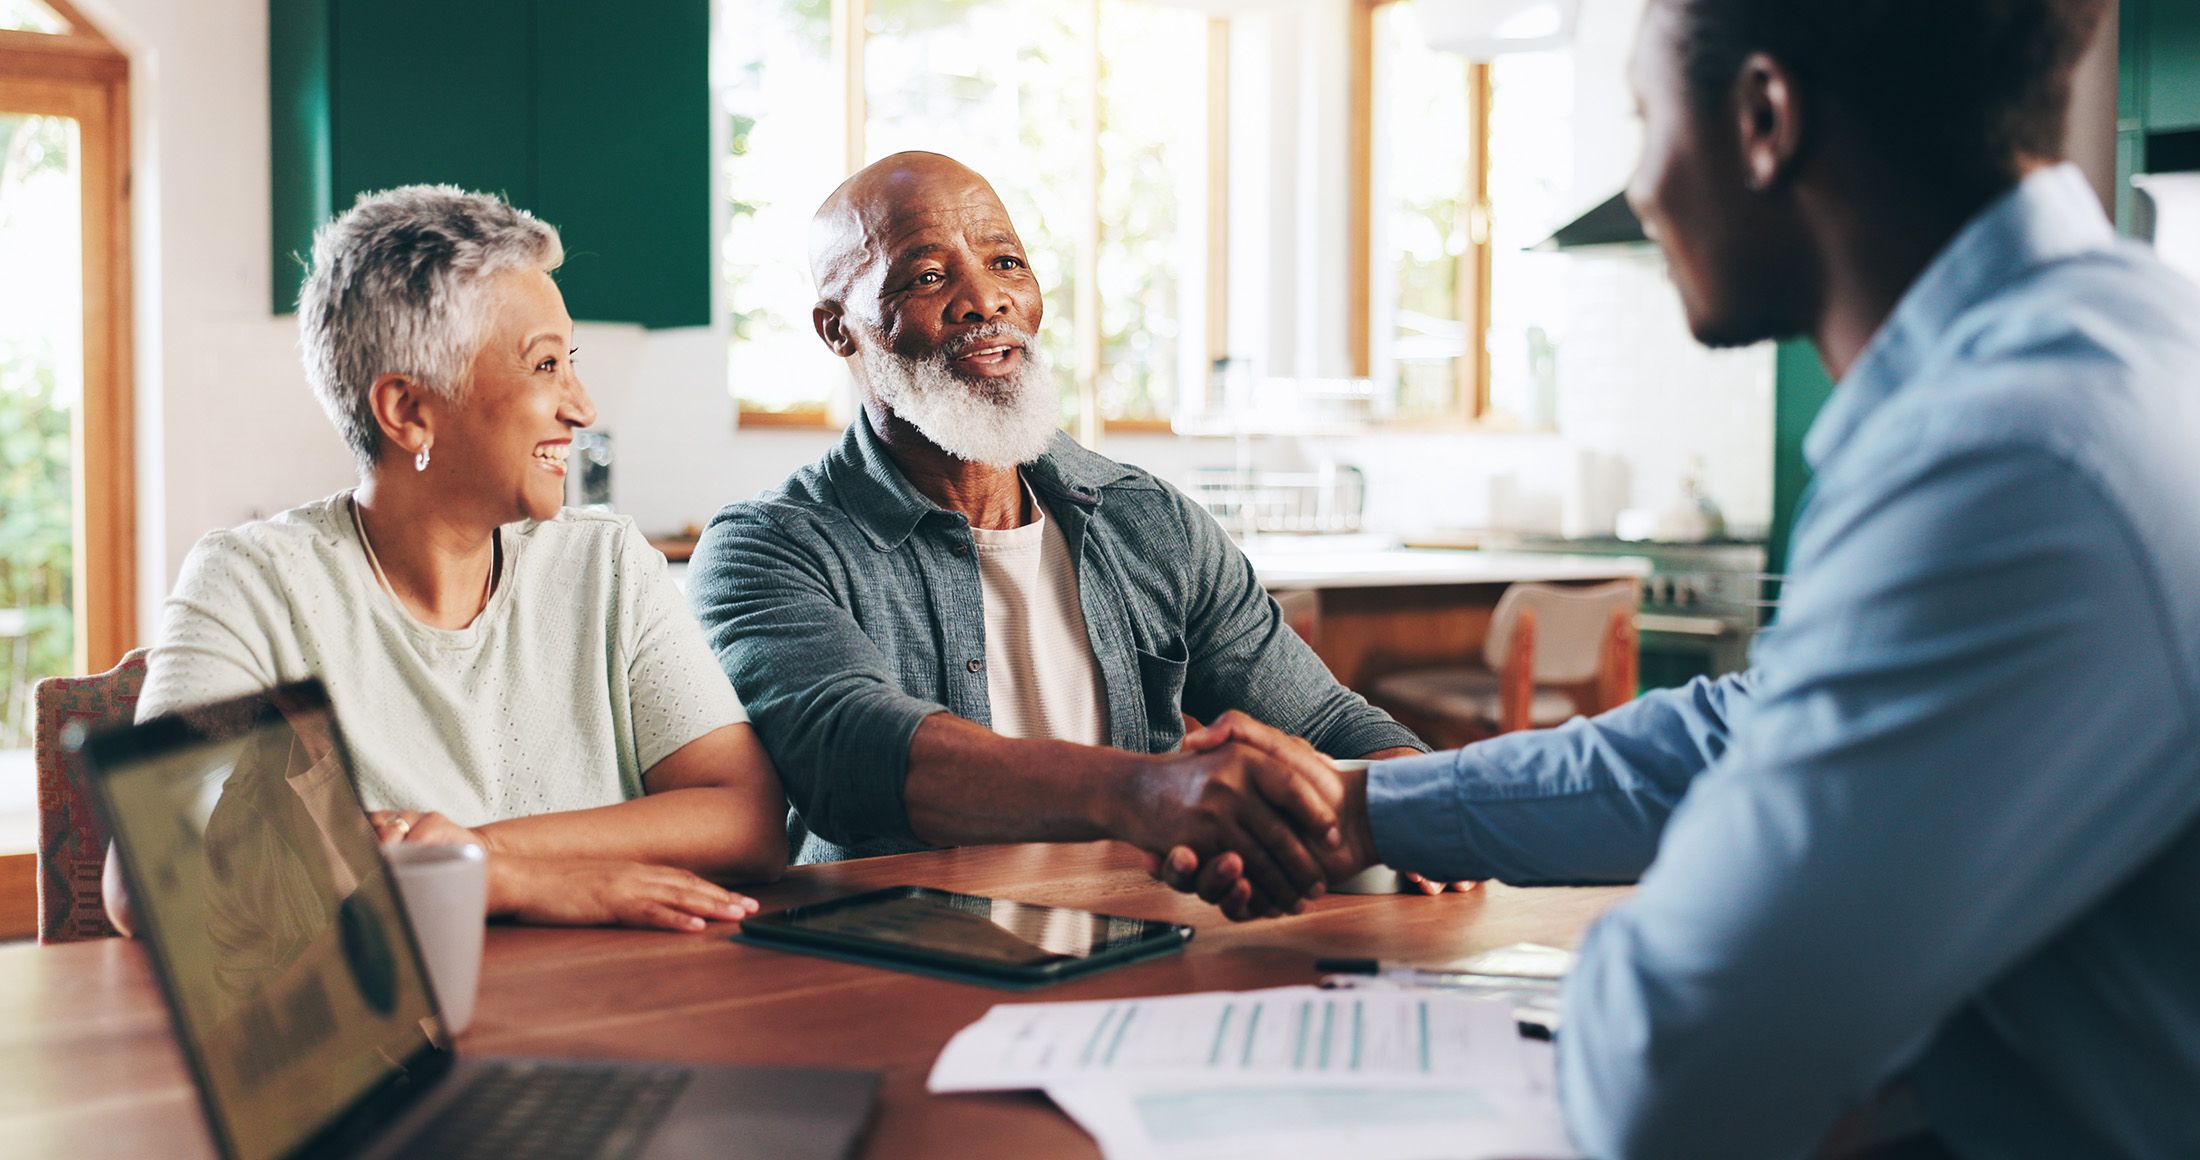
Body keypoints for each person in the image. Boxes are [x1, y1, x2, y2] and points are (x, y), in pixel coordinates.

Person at [1170, 0, 2200, 1155]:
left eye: (1644, 116)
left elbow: (1681, 1069)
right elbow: (1742, 737)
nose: (1644, 183)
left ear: (1765, 119)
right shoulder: (2098, 357)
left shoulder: (2010, 457)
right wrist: (1364, 804)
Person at [687, 152, 1424, 918]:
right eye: (928, 277)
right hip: (901, 980)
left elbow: (1330, 723)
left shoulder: (1150, 521)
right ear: (839, 329)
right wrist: (1149, 792)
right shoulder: (765, 547)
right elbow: (857, 752)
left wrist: (1417, 812)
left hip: (1139, 960)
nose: (986, 300)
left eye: (1006, 262)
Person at [117, 186, 788, 933]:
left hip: (615, 1008)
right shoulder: (253, 581)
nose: (582, 406)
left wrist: (488, 863)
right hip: (396, 1035)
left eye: (572, 361)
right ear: (407, 411)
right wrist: (515, 881)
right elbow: (153, 875)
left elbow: (750, 819)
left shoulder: (610, 567)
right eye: (544, 367)